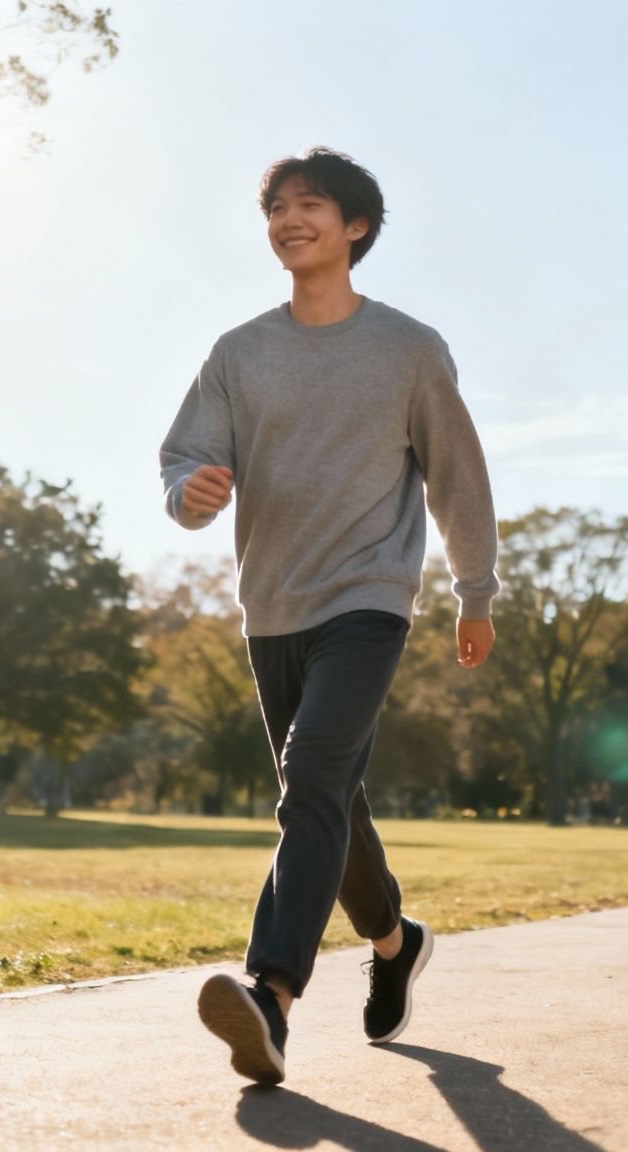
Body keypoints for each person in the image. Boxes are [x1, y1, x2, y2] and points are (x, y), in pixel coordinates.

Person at [157, 147, 501, 1085]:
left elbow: (457, 475)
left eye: (309, 205)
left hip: (369, 599)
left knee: (309, 774)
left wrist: (477, 591)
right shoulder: (239, 352)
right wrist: (194, 493)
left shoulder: (407, 348)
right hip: (271, 605)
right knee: (331, 798)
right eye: (275, 207)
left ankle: (270, 996)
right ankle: (394, 942)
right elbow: (183, 461)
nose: (287, 220)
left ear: (354, 227)